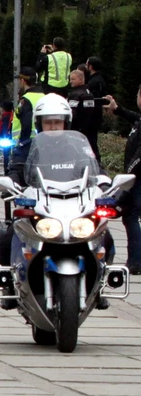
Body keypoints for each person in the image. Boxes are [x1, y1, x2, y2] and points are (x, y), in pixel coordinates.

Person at [106, 91, 141, 275]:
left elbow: (139, 157)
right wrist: (118, 110)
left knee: (131, 216)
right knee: (130, 216)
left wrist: (128, 177)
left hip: (136, 178)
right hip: (133, 177)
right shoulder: (140, 120)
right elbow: (135, 118)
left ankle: (136, 262)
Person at [67, 69, 102, 161]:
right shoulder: (88, 92)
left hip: (78, 129)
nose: (70, 81)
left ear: (81, 79)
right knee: (92, 146)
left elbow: (72, 113)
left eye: (73, 79)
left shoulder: (76, 94)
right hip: (88, 128)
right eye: (70, 79)